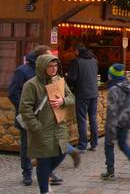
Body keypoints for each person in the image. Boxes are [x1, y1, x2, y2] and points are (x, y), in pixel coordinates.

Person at [19, 54, 77, 194]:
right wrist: (36, 126)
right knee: (44, 160)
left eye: (55, 66)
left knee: (61, 152)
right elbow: (25, 108)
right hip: (42, 129)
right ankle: (44, 190)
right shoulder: (31, 85)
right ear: (41, 67)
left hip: (59, 127)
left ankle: (43, 176)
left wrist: (63, 101)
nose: (53, 69)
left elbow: (72, 97)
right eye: (50, 66)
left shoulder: (59, 80)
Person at [8, 45, 61, 186]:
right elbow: (13, 93)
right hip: (29, 116)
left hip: (46, 117)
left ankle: (48, 172)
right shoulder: (22, 71)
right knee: (27, 145)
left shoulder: (48, 72)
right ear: (40, 58)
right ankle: (27, 173)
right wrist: (27, 110)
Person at [100, 64, 130, 181]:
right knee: (123, 144)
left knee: (109, 145)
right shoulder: (128, 86)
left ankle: (110, 172)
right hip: (126, 120)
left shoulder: (113, 89)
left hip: (115, 122)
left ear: (111, 75)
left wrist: (111, 127)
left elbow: (112, 110)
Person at [67, 44, 99, 153]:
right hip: (94, 92)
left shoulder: (77, 62)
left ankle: (82, 145)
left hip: (82, 93)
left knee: (82, 119)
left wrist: (66, 79)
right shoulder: (94, 60)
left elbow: (72, 78)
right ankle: (94, 143)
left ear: (77, 51)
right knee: (93, 118)